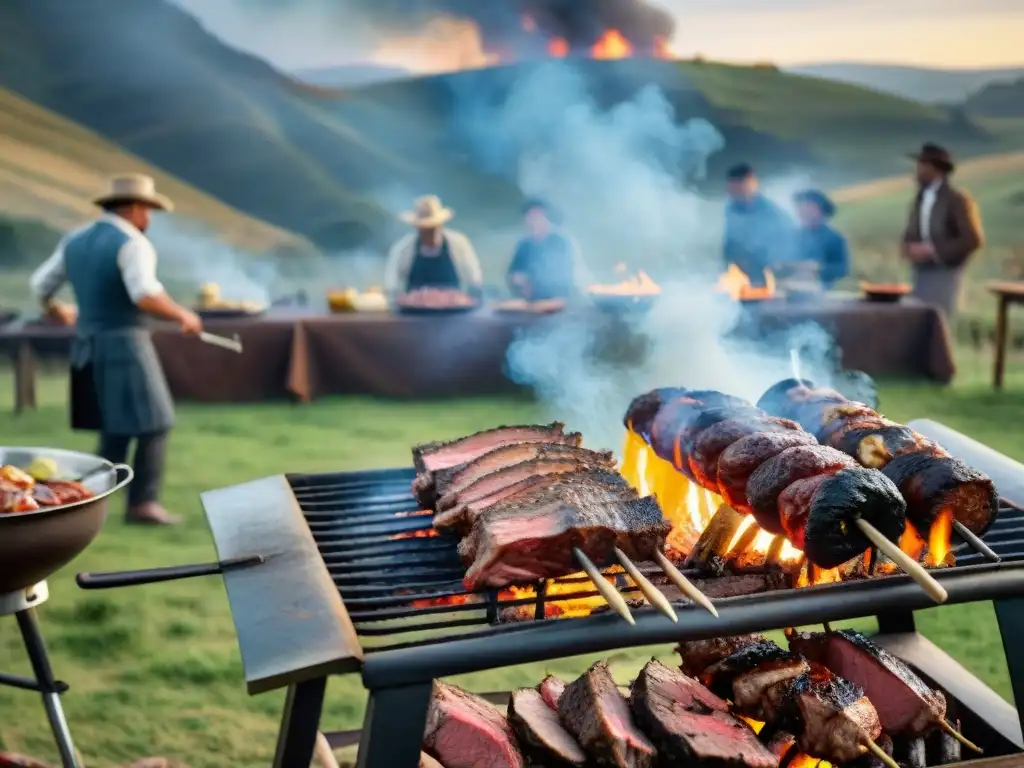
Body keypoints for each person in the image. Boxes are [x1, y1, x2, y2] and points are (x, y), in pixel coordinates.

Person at [29, 174, 203, 526]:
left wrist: (56, 309)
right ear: (136, 208)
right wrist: (182, 314)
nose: (149, 219)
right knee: (156, 423)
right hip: (126, 343)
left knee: (115, 427)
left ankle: (86, 500)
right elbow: (145, 294)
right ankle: (143, 505)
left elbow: (40, 284)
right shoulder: (133, 242)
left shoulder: (75, 239)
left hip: (88, 344)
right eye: (148, 210)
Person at [901, 143, 985, 321]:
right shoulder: (920, 199)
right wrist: (910, 248)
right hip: (920, 272)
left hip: (945, 273)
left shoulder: (956, 200)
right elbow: (911, 232)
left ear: (935, 169)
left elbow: (972, 239)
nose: (918, 170)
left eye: (923, 165)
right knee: (917, 322)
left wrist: (934, 250)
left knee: (939, 322)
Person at [384, 195, 483, 296]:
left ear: (441, 225)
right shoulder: (404, 249)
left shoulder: (458, 244)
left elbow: (474, 279)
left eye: (433, 228)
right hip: (414, 309)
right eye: (425, 229)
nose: (429, 233)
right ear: (417, 228)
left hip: (453, 308)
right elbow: (392, 283)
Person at [723, 163, 796, 286]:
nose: (732, 192)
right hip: (739, 270)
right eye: (731, 188)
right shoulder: (731, 209)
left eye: (738, 187)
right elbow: (729, 240)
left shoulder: (771, 212)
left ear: (751, 184)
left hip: (768, 269)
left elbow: (786, 241)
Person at [506, 199, 584, 300]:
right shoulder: (524, 245)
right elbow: (513, 273)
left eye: (537, 217)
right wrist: (516, 279)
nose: (533, 221)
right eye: (529, 217)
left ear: (546, 218)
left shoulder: (561, 242)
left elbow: (564, 277)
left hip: (561, 301)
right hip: (530, 302)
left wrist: (531, 282)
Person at [792, 189, 850, 289]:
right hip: (790, 289)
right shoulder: (793, 235)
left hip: (821, 292)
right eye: (800, 208)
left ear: (820, 210)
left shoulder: (834, 238)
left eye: (808, 208)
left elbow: (842, 268)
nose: (802, 212)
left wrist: (817, 268)